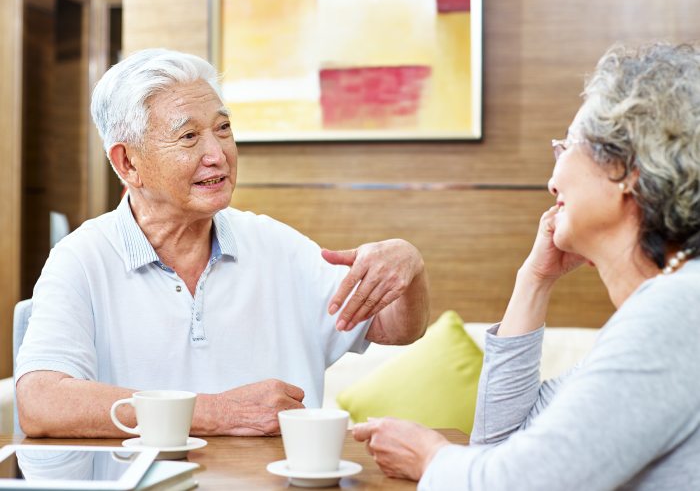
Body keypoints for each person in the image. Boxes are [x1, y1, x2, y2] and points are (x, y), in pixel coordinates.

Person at [15, 49, 431, 438]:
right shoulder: (81, 259)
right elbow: (40, 402)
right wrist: (217, 412)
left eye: (223, 128)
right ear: (128, 163)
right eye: (189, 137)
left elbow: (394, 328)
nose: (217, 154)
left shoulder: (276, 245)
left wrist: (409, 266)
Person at [353, 42, 700, 490]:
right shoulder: (672, 306)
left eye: (567, 147)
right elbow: (498, 442)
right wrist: (533, 281)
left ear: (628, 169)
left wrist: (429, 456)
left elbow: (520, 484)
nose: (552, 179)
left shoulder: (675, 314)